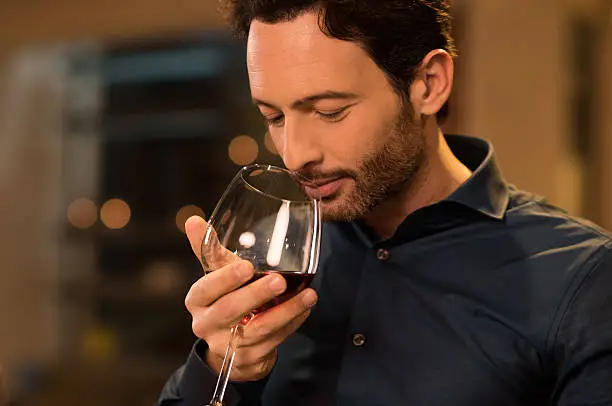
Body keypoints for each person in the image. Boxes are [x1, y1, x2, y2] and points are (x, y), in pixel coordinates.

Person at [157, 1, 612, 405]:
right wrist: (223, 367)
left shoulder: (583, 281)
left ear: (428, 84)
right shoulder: (275, 263)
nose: (294, 155)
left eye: (329, 111)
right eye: (273, 117)